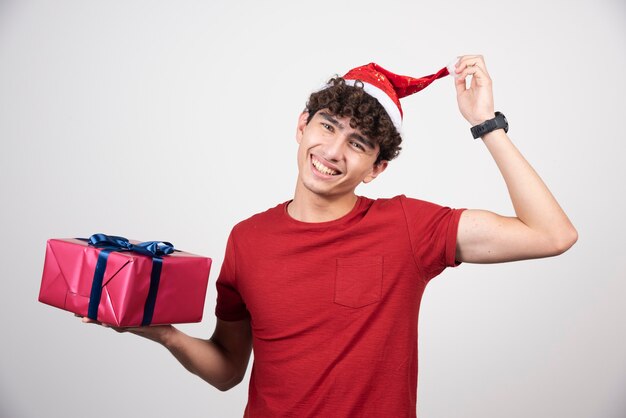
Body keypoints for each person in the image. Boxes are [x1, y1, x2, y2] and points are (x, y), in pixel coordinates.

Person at [84, 55, 577, 417]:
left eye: (357, 143)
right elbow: (229, 370)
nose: (334, 150)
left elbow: (551, 234)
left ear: (376, 169)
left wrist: (486, 124)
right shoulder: (247, 239)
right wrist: (164, 334)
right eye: (328, 126)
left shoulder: (408, 227)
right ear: (302, 127)